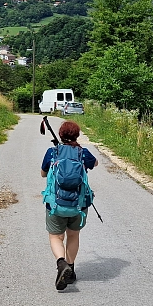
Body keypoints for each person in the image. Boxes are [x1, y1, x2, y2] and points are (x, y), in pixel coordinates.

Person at [41, 120, 98, 290]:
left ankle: (61, 264)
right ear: (77, 135)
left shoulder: (52, 152)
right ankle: (70, 269)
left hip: (56, 204)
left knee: (56, 237)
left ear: (60, 135)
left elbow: (43, 174)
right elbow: (94, 164)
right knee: (73, 235)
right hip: (79, 205)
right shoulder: (83, 153)